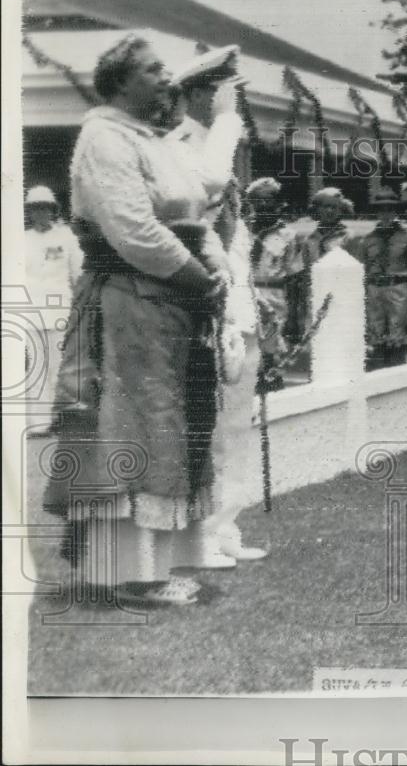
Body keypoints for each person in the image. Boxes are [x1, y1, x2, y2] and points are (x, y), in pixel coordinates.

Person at [42, 35, 242, 605]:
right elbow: (134, 232)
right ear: (121, 81)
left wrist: (221, 120)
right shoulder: (102, 138)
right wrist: (199, 278)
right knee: (129, 426)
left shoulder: (149, 138)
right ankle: (129, 576)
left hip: (169, 305)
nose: (165, 79)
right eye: (154, 71)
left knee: (167, 427)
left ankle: (154, 566)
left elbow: (202, 188)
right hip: (131, 300)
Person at [167, 44, 269, 566]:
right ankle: (196, 537)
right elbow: (204, 192)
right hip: (201, 305)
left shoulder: (223, 150)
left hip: (236, 306)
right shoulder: (180, 148)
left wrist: (251, 303)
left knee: (235, 425)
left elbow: (235, 238)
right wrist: (228, 124)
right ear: (195, 93)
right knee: (204, 425)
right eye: (220, 90)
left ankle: (223, 527)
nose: (230, 100)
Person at [23, 185, 83, 436]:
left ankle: (64, 419)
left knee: (60, 366)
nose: (41, 213)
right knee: (35, 367)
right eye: (35, 208)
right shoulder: (21, 239)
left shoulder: (66, 237)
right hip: (30, 312)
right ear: (29, 212)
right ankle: (38, 423)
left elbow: (78, 274)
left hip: (60, 310)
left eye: (45, 208)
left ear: (53, 210)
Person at [343, 187, 407, 370]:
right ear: (377, 212)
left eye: (390, 209)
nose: (386, 214)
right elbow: (360, 270)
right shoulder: (368, 239)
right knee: (375, 336)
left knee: (398, 337)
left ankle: (397, 372)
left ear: (395, 211)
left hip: (399, 289)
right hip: (375, 290)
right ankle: (376, 373)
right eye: (381, 209)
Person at [246, 177, 304, 392]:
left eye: (267, 200)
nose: (261, 206)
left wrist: (296, 318)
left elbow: (295, 278)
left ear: (278, 203)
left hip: (274, 298)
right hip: (246, 296)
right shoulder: (242, 232)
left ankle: (273, 397)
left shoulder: (287, 236)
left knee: (271, 356)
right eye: (256, 201)